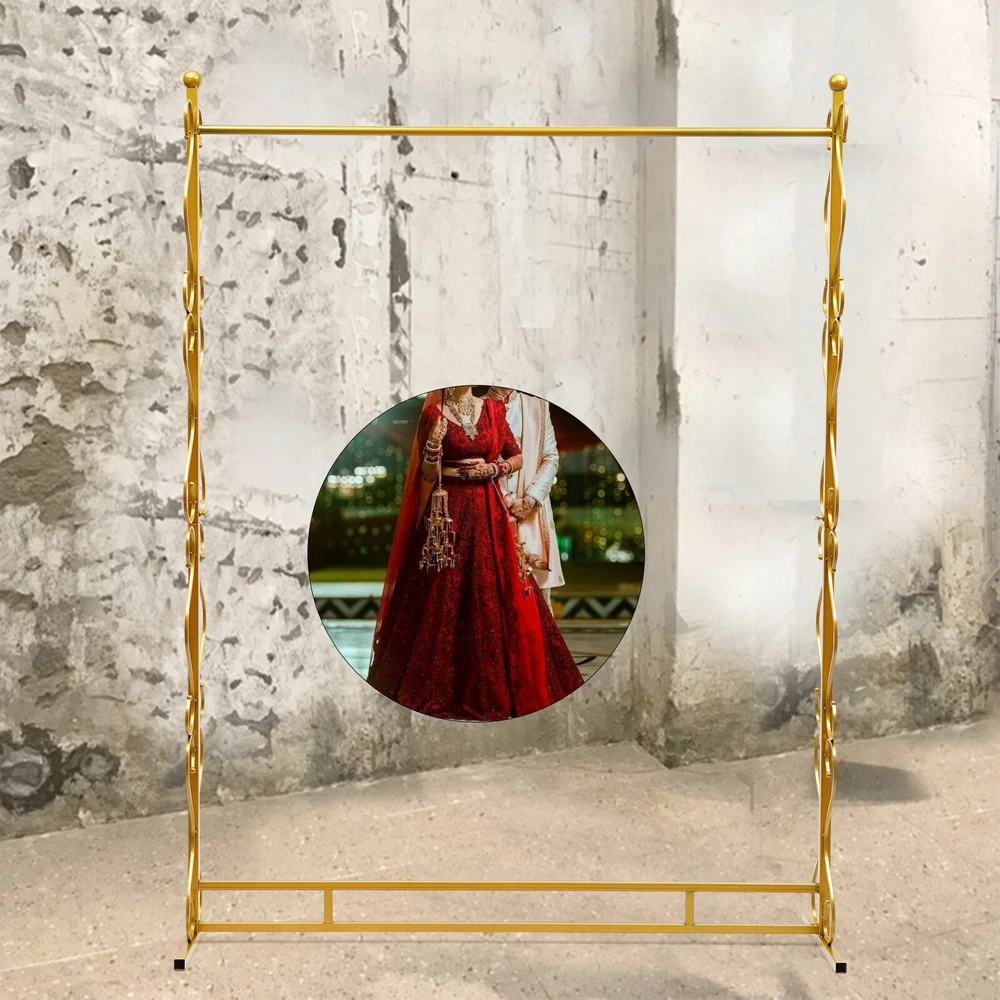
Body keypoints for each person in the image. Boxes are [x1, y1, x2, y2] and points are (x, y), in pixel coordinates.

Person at [366, 386, 584, 721]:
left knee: (493, 592)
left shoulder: (493, 410)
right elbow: (427, 474)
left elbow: (516, 456)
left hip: (488, 511)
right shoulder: (433, 414)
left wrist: (493, 470)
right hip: (448, 513)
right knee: (441, 595)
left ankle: (509, 683)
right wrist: (434, 446)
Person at [485, 386, 565, 608]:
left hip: (531, 511)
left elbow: (550, 458)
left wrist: (530, 499)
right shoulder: (476, 405)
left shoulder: (538, 406)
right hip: (490, 507)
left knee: (536, 597)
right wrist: (502, 501)